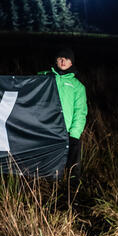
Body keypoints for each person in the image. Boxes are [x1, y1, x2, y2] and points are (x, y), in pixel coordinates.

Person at [40, 48, 87, 177]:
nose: (63, 61)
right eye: (60, 58)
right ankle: (48, 182)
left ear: (71, 62)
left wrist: (75, 133)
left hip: (67, 130)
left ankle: (73, 184)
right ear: (56, 60)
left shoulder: (78, 86)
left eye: (67, 59)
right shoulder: (44, 78)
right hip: (46, 127)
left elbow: (80, 111)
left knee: (72, 164)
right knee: (47, 164)